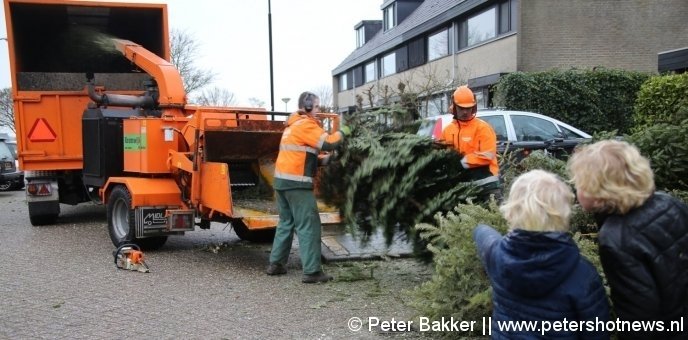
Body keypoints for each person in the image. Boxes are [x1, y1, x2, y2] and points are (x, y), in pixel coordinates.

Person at [568, 140, 688, 340]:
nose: (576, 191)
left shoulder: (616, 238)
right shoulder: (669, 203)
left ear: (599, 190)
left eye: (580, 184)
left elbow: (639, 317)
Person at [474, 169, 609, 339]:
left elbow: (483, 234)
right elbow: (596, 333)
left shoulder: (498, 255)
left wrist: (478, 227)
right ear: (564, 213)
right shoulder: (582, 273)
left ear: (511, 211)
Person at [266, 91, 349, 284]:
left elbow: (304, 155)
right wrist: (346, 130)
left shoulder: (292, 126)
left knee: (286, 223)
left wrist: (329, 160)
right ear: (308, 106)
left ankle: (276, 264)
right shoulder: (306, 124)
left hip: (282, 182)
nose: (320, 111)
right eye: (318, 107)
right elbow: (329, 142)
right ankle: (312, 271)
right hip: (297, 183)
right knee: (309, 225)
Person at [438, 85, 500, 199]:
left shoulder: (482, 128)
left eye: (468, 108)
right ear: (454, 107)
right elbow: (442, 154)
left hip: (487, 185)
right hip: (462, 186)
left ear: (474, 107)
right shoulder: (447, 131)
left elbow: (488, 155)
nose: (465, 112)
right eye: (461, 108)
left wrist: (461, 162)